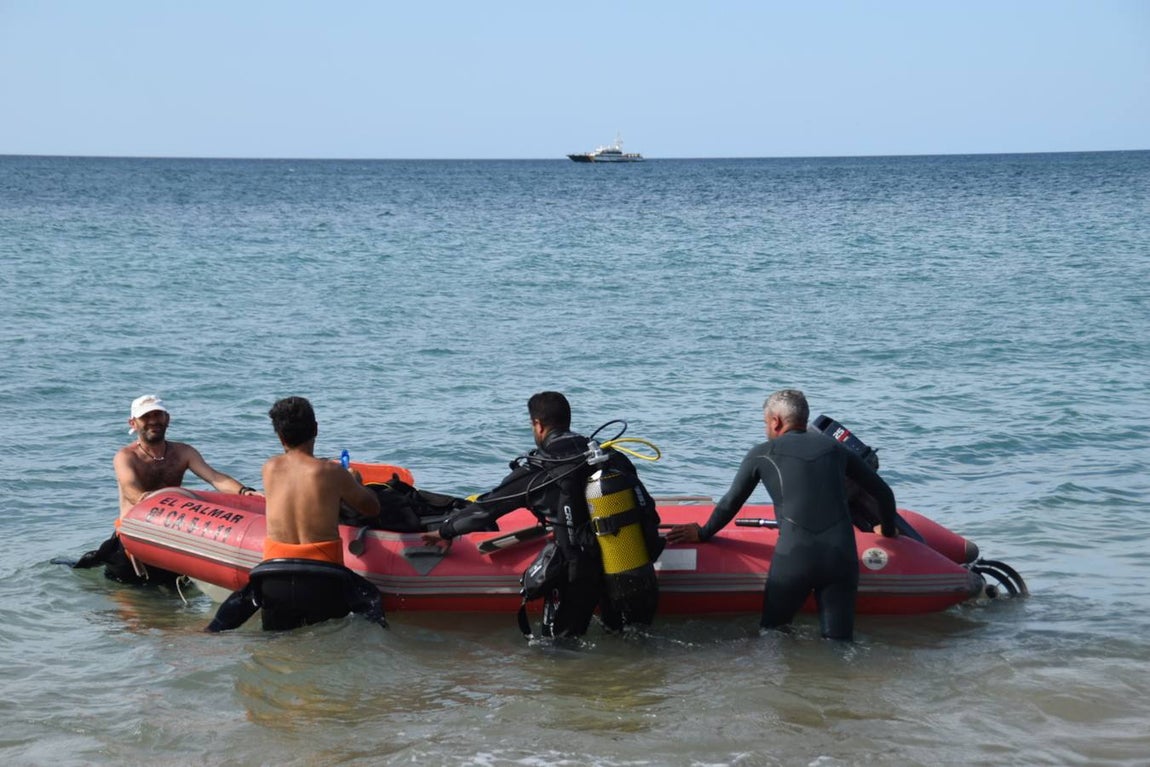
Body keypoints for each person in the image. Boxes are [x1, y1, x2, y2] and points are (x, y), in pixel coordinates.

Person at [423, 391, 664, 638]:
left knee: (558, 648)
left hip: (577, 571)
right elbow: (644, 504)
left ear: (538, 425)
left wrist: (444, 531)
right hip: (624, 560)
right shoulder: (609, 455)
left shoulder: (540, 466)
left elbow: (487, 508)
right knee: (626, 635)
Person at [666, 389, 898, 641]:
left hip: (794, 560)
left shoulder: (762, 453)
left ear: (776, 421)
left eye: (765, 422)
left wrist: (702, 532)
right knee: (839, 643)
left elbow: (730, 503)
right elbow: (884, 493)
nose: (766, 428)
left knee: (773, 635)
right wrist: (885, 531)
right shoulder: (836, 449)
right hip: (840, 559)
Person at [207, 395, 385, 631]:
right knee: (368, 607)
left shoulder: (269, 468)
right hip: (322, 579)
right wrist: (355, 482)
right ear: (316, 429)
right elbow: (372, 508)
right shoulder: (333, 473)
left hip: (273, 579)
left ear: (280, 436)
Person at [73, 395, 258, 585]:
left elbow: (215, 477)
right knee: (129, 602)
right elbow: (131, 490)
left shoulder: (183, 452)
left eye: (158, 415)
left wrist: (244, 492)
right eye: (146, 417)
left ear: (167, 419)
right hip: (134, 539)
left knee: (175, 599)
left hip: (169, 537)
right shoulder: (126, 456)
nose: (153, 421)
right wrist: (149, 501)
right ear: (133, 423)